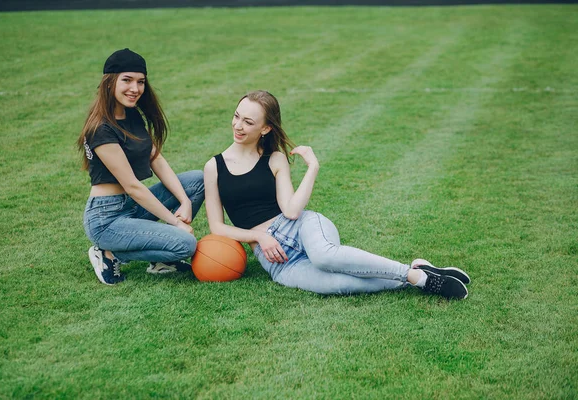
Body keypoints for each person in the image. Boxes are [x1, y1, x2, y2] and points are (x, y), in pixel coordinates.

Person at [203, 90, 470, 298]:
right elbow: (216, 226)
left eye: (248, 121)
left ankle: (417, 278)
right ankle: (417, 272)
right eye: (237, 116)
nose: (238, 125)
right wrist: (259, 236)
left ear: (265, 128)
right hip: (277, 262)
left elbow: (292, 211)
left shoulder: (274, 159)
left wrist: (313, 167)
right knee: (339, 284)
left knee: (325, 257)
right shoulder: (214, 167)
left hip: (300, 227)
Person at [77, 48, 204, 285]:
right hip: (107, 219)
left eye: (140, 82)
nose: (135, 89)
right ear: (109, 82)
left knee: (197, 179)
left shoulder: (130, 114)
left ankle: (160, 259)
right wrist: (176, 224)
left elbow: (155, 158)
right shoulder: (100, 129)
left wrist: (185, 201)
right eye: (127, 80)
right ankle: (108, 253)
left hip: (131, 206)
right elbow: (133, 186)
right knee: (185, 244)